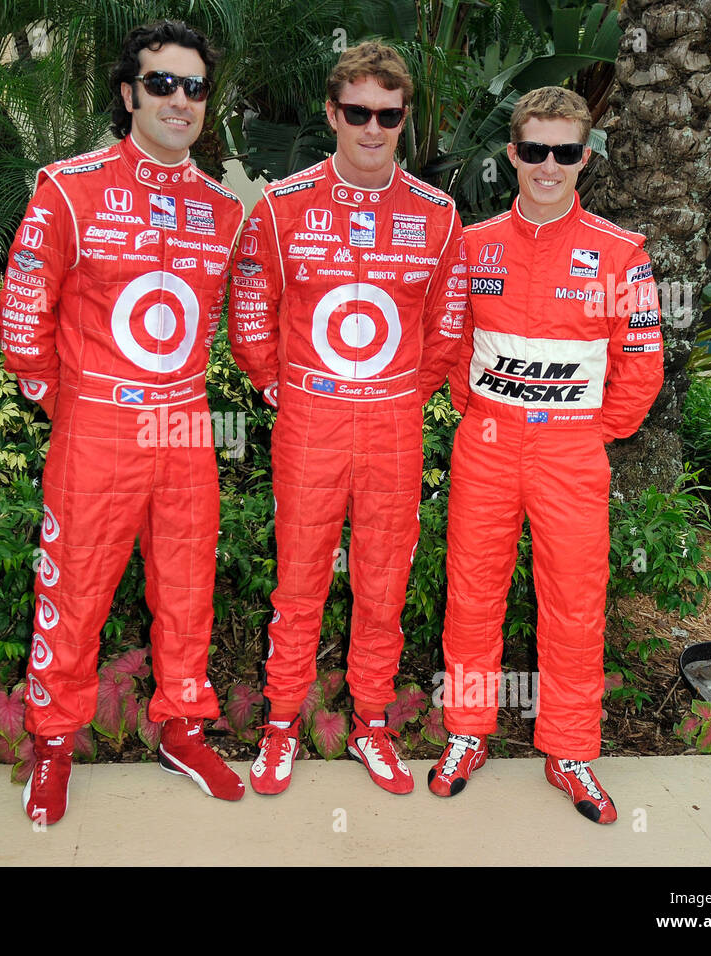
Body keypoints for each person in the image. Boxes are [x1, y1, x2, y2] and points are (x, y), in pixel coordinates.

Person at [0, 20, 247, 826]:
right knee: (73, 594)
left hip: (185, 427)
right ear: (129, 92)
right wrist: (65, 407)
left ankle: (181, 724)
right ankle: (55, 745)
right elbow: (22, 316)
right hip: (96, 427)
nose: (180, 100)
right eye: (163, 83)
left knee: (187, 587)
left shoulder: (222, 208)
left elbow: (232, 320)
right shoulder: (69, 187)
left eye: (195, 87)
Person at [229, 42, 466, 796]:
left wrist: (407, 392)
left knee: (383, 582)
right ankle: (279, 726)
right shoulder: (281, 204)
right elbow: (249, 312)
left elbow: (448, 327)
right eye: (357, 112)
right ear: (333, 113)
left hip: (393, 425)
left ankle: (371, 724)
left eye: (388, 115)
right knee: (298, 583)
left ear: (404, 119)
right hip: (310, 424)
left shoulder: (438, 214)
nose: (372, 127)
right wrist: (277, 386)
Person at [428, 87, 663, 823]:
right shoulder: (473, 244)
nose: (548, 165)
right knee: (470, 595)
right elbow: (450, 347)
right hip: (488, 445)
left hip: (571, 454)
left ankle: (570, 751)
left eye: (564, 152)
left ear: (584, 158)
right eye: (534, 151)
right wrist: (487, 415)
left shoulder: (621, 253)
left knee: (575, 604)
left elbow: (642, 363)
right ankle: (467, 733)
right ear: (513, 154)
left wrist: (591, 432)